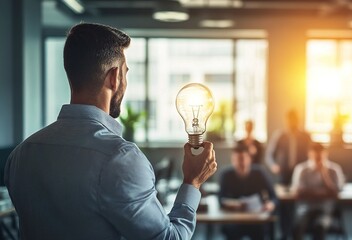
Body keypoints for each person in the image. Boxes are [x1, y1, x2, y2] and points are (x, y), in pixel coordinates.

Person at [4, 23, 217, 240]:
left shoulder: (21, 155)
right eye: (125, 73)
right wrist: (193, 181)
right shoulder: (120, 158)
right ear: (114, 77)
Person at [219, 144, 276, 240]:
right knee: (230, 230)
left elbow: (273, 196)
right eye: (237, 159)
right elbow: (220, 199)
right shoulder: (226, 174)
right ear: (232, 160)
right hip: (235, 219)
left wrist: (270, 204)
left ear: (250, 159)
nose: (241, 163)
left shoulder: (259, 172)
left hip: (256, 219)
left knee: (262, 230)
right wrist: (234, 204)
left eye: (243, 158)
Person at [291, 142, 345, 240]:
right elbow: (299, 192)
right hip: (305, 208)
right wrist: (323, 193)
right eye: (316, 156)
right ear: (309, 154)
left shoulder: (334, 169)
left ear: (326, 154)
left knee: (319, 227)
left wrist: (324, 174)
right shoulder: (302, 169)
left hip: (325, 209)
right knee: (297, 226)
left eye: (320, 156)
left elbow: (335, 192)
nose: (318, 158)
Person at [266, 109, 311, 184]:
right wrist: (273, 165)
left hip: (301, 171)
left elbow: (311, 153)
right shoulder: (279, 135)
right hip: (283, 171)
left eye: (294, 120)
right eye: (289, 120)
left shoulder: (305, 136)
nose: (292, 123)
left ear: (298, 120)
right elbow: (269, 154)